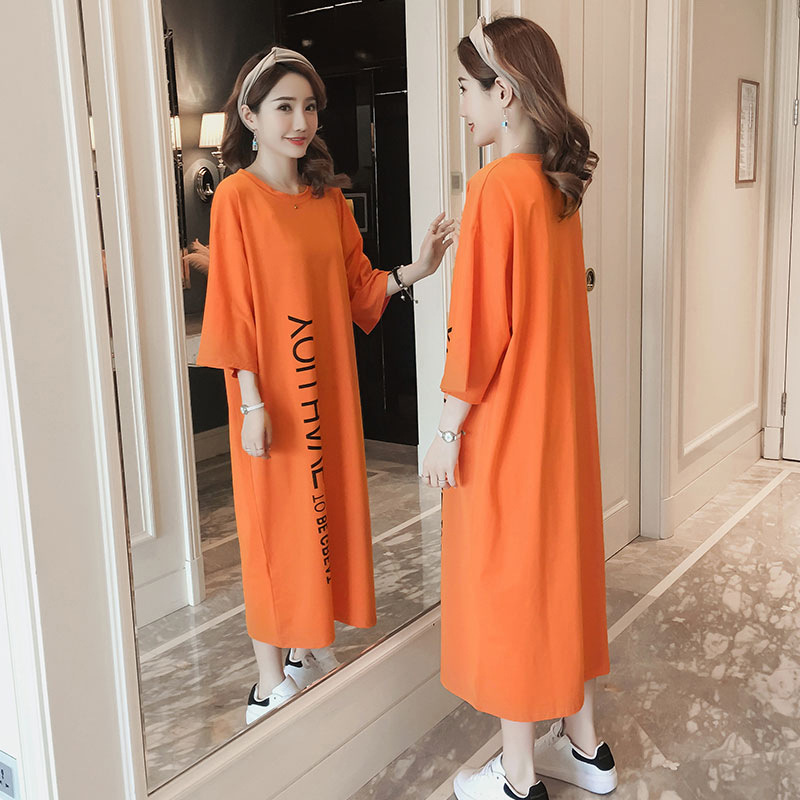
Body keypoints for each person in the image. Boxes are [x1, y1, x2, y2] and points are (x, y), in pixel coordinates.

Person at [197, 46, 455, 725]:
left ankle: (305, 648)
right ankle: (267, 680)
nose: (301, 121)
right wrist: (251, 402)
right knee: (271, 528)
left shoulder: (328, 199)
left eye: (309, 106)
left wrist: (417, 269)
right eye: (284, 106)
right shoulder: (236, 198)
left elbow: (358, 288)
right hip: (268, 396)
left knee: (321, 515)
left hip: (326, 393)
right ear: (250, 115)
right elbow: (234, 309)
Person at [421, 16, 617, 800]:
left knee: (509, 586)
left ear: (504, 93)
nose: (463, 105)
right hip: (559, 427)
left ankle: (517, 776)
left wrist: (446, 428)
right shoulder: (559, 191)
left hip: (506, 427)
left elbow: (479, 330)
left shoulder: (496, 187)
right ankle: (587, 748)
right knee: (557, 578)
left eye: (467, 90)